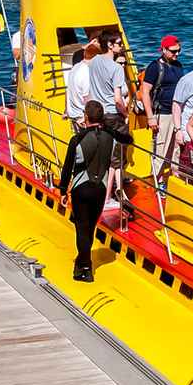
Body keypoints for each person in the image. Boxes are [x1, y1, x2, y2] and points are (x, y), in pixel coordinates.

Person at [62, 100, 131, 283]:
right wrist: (108, 126)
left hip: (81, 189)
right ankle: (83, 262)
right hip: (100, 189)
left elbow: (67, 167)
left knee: (81, 227)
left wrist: (62, 190)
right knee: (90, 227)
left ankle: (84, 265)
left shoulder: (77, 139)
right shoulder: (111, 135)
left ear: (85, 117)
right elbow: (128, 139)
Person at [86, 28, 130, 204]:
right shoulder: (116, 68)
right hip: (113, 115)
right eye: (119, 44)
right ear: (110, 45)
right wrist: (125, 114)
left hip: (98, 115)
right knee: (116, 158)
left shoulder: (94, 61)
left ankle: (101, 190)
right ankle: (107, 197)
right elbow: (118, 99)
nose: (121, 46)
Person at [139, 34, 184, 177]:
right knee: (160, 151)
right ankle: (156, 183)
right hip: (162, 114)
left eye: (178, 51)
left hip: (176, 114)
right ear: (164, 50)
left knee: (175, 150)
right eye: (173, 51)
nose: (176, 54)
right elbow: (145, 92)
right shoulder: (154, 67)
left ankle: (169, 180)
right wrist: (151, 117)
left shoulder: (178, 65)